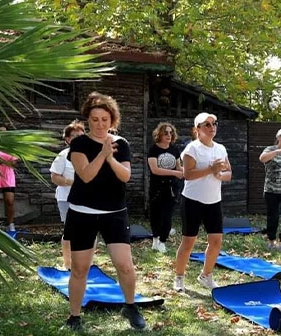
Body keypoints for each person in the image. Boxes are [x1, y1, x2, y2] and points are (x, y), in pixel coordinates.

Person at [63, 92, 145, 330]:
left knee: (125, 265)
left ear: (112, 120)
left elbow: (126, 176)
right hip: (82, 213)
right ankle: (75, 317)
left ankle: (130, 306)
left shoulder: (122, 144)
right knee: (80, 269)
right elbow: (86, 176)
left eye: (104, 120)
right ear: (88, 120)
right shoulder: (79, 144)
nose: (100, 124)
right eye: (95, 119)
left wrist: (110, 157)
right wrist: (102, 154)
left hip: (114, 213)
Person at [173, 112, 231, 292]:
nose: (212, 127)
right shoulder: (192, 149)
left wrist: (219, 174)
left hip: (214, 201)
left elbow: (229, 174)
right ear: (197, 129)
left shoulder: (221, 148)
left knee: (216, 242)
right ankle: (179, 277)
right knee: (188, 242)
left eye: (214, 124)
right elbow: (187, 175)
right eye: (207, 124)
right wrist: (210, 169)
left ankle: (206, 275)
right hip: (192, 200)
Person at [50, 120, 85, 270]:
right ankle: (68, 264)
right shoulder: (63, 156)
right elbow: (54, 177)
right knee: (70, 231)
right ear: (68, 139)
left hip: (88, 199)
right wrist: (68, 181)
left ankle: (85, 263)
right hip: (67, 199)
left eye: (82, 136)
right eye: (75, 136)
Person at [147, 122, 183, 253]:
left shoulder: (174, 149)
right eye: (166, 133)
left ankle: (162, 241)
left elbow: (179, 168)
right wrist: (175, 172)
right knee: (155, 215)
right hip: (157, 188)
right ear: (160, 134)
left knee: (167, 216)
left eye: (171, 133)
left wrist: (188, 171)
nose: (169, 135)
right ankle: (155, 239)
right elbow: (155, 169)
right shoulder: (153, 150)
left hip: (171, 188)